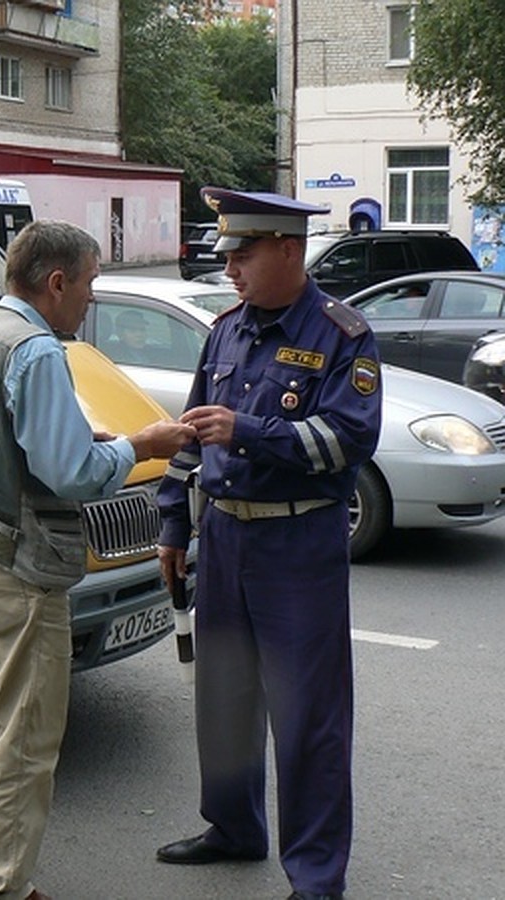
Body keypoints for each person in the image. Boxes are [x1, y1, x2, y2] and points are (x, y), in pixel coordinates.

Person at [0, 219, 196, 900]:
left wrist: (79, 440)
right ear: (56, 283)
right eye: (88, 283)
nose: (90, 299)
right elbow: (73, 474)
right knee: (22, 740)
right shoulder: (38, 351)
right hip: (23, 568)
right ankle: (4, 888)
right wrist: (141, 445)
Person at [154, 188, 383, 900]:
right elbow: (193, 433)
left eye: (243, 254)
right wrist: (173, 522)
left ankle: (315, 878)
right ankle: (233, 827)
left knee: (307, 718)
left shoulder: (342, 336)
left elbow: (348, 440)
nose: (229, 269)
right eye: (226, 255)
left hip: (298, 545)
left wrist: (250, 431)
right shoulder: (225, 330)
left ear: (289, 250)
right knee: (223, 701)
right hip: (224, 539)